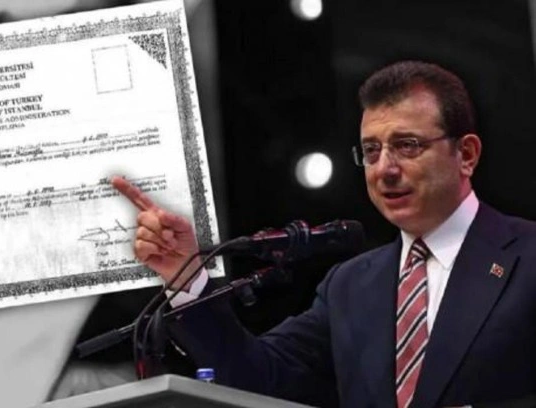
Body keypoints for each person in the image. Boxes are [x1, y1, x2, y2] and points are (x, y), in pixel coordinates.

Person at [110, 61, 536, 408]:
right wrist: (185, 276)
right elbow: (257, 378)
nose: (385, 169)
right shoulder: (350, 286)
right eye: (371, 150)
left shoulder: (528, 257)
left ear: (466, 154)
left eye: (407, 145)